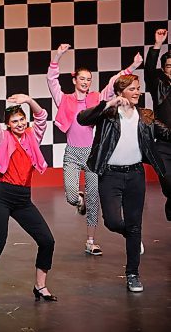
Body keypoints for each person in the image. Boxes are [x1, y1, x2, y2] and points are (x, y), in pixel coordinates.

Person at [77, 74, 171, 292]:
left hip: (135, 175)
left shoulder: (145, 116)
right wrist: (107, 103)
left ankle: (132, 274)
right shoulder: (109, 113)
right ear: (120, 92)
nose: (137, 92)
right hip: (110, 175)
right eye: (132, 89)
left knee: (135, 223)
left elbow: (165, 132)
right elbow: (82, 119)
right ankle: (131, 235)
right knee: (111, 221)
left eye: (138, 88)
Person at [47, 44, 143, 255]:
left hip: (93, 155)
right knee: (72, 196)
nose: (85, 82)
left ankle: (90, 241)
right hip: (72, 153)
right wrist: (58, 55)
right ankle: (78, 201)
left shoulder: (96, 98)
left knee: (94, 198)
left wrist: (133, 66)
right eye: (82, 78)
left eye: (89, 79)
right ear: (74, 80)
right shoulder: (64, 99)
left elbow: (113, 83)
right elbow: (51, 80)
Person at [0, 94, 56, 304]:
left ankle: (41, 286)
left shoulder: (32, 136)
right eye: (14, 121)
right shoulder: (3, 138)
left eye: (21, 120)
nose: (19, 124)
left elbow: (42, 116)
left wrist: (28, 100)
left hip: (23, 199)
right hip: (2, 196)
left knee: (47, 240)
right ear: (8, 125)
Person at [145, 29, 171, 221]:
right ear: (164, 69)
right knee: (168, 181)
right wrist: (157, 45)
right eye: (169, 66)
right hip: (163, 143)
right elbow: (148, 70)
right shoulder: (158, 84)